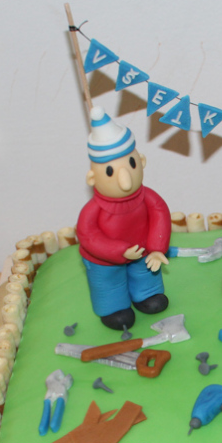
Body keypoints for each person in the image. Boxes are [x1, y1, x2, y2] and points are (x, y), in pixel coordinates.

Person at [75, 106, 171, 330]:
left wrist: (157, 248)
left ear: (141, 161)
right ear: (92, 178)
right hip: (104, 261)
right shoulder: (92, 210)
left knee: (146, 273)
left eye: (131, 164)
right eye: (110, 172)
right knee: (108, 283)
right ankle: (114, 308)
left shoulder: (149, 197)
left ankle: (146, 295)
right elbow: (89, 236)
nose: (125, 181)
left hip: (143, 251)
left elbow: (160, 217)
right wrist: (119, 251)